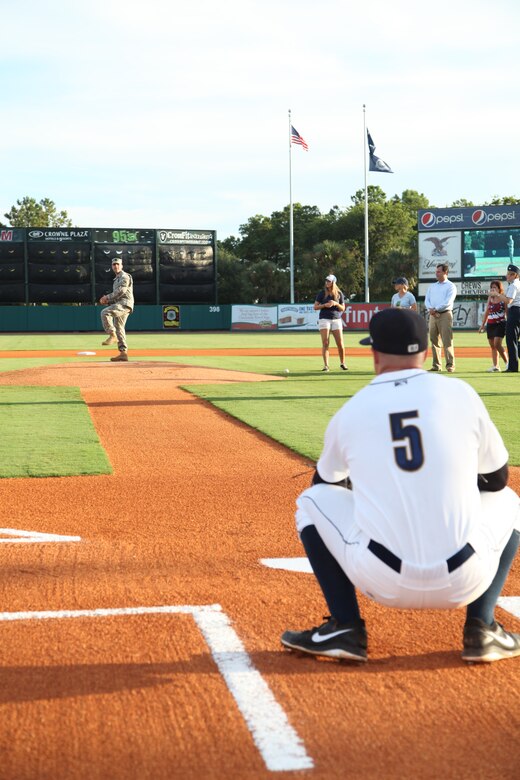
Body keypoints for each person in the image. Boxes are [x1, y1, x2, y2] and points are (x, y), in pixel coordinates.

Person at [281, 308, 520, 664]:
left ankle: (346, 626)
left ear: (375, 353)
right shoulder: (461, 394)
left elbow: (325, 482)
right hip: (466, 577)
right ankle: (482, 627)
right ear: (425, 352)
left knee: (311, 500)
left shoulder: (352, 410)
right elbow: (498, 479)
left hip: (383, 579)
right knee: (508, 501)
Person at [424, 262, 457, 372]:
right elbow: (427, 300)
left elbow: (448, 302)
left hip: (445, 314)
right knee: (434, 340)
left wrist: (436, 309)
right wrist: (431, 309)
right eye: (436, 272)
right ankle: (436, 365)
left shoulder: (451, 286)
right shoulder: (432, 286)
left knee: (447, 340)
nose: (436, 274)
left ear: (445, 272)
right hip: (433, 315)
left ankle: (450, 365)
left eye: (439, 271)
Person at [99, 258, 134, 362]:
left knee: (105, 312)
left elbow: (121, 291)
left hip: (125, 304)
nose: (116, 266)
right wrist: (108, 301)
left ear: (122, 265)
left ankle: (112, 335)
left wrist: (107, 297)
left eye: (118, 264)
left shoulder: (125, 276)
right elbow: (117, 296)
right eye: (114, 264)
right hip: (120, 304)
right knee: (119, 327)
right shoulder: (116, 280)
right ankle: (123, 353)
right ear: (112, 266)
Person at [314, 274, 347, 372]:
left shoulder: (339, 294)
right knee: (325, 342)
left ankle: (342, 363)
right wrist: (325, 305)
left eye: (329, 281)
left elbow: (343, 308)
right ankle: (326, 365)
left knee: (340, 343)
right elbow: (315, 307)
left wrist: (336, 303)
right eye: (326, 281)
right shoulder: (322, 293)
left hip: (336, 319)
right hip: (324, 319)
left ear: (333, 282)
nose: (327, 282)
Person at [491, 264, 520, 373]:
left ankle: (512, 367)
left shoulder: (513, 285)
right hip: (517, 311)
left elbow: (509, 301)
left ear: (515, 275)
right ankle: (513, 366)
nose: (507, 276)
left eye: (510, 274)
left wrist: (497, 294)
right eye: (508, 274)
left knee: (511, 340)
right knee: (514, 340)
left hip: (515, 311)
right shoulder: (516, 284)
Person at [479, 280, 508, 372]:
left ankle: (508, 363)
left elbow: (507, 312)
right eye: (491, 287)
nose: (492, 289)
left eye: (495, 287)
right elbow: (487, 311)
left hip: (500, 323)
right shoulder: (490, 298)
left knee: (497, 344)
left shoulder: (504, 298)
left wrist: (509, 323)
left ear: (499, 289)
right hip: (490, 324)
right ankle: (496, 366)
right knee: (492, 346)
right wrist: (483, 325)